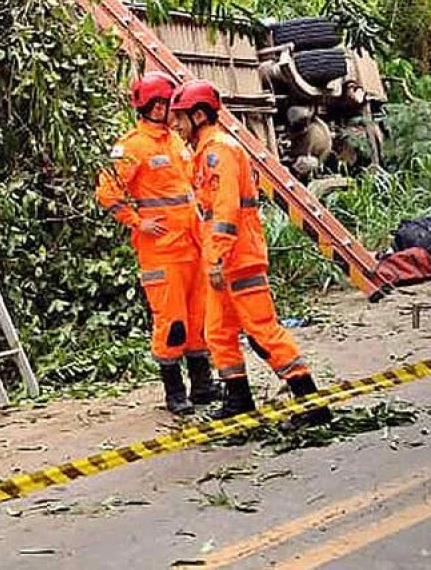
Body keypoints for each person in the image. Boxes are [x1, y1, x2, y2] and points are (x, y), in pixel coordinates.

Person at [169, 79, 331, 425]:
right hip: (224, 260)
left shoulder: (219, 151)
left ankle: (311, 403)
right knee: (218, 332)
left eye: (180, 117)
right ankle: (239, 399)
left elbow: (225, 211)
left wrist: (216, 257)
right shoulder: (206, 152)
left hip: (237, 259)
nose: (176, 125)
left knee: (262, 331)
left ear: (199, 115)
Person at [96, 71, 217, 415]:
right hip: (161, 250)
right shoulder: (133, 146)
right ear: (154, 105)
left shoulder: (177, 141)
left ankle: (203, 385)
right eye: (170, 105)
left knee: (198, 319)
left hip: (192, 244)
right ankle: (174, 392)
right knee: (172, 321)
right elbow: (107, 190)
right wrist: (137, 221)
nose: (175, 112)